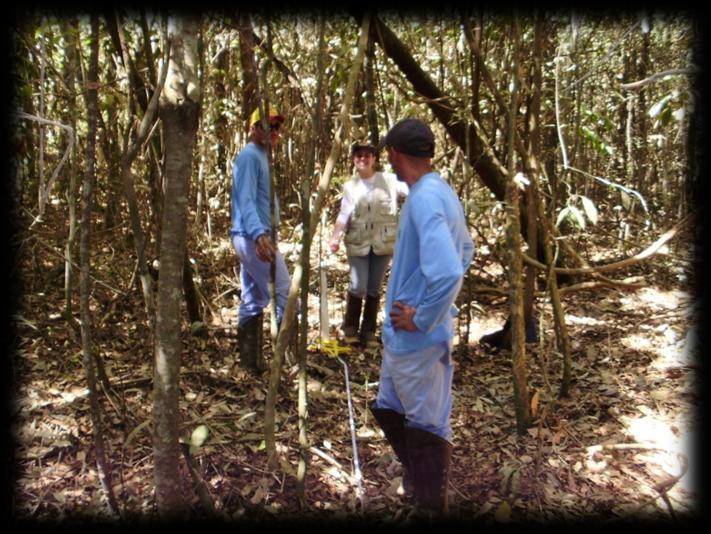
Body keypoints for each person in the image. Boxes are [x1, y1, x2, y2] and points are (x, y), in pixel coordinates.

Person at [369, 118, 474, 517]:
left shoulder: (427, 199)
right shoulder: (438, 191)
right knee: (389, 405)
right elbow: (467, 249)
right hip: (407, 339)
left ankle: (432, 507)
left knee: (428, 424)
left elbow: (449, 269)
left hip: (419, 340)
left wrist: (425, 313)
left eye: (389, 156)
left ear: (396, 154)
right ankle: (420, 482)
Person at [329, 141, 408, 345]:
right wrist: (335, 237)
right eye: (359, 156)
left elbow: (411, 190)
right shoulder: (350, 186)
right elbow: (344, 213)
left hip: (383, 244)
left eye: (367, 155)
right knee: (357, 285)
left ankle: (369, 331)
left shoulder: (389, 180)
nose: (363, 159)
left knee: (374, 287)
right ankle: (350, 328)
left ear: (374, 159)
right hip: (358, 243)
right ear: (354, 159)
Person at [230, 105, 290, 372]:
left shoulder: (263, 157)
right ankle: (285, 362)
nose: (274, 131)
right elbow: (245, 200)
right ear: (254, 128)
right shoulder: (249, 157)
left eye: (277, 126)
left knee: (253, 298)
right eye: (268, 125)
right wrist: (259, 234)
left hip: (254, 236)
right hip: (251, 237)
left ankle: (250, 364)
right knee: (286, 291)